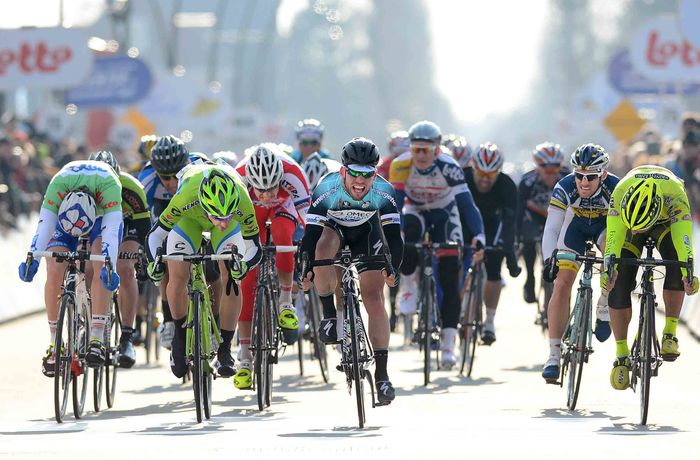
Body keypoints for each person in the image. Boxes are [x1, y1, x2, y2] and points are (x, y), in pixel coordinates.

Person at [299, 137, 403, 405]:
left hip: (368, 234)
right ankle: (330, 315)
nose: (360, 181)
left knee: (373, 298)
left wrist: (394, 268)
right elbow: (309, 238)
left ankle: (382, 375)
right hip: (335, 232)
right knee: (322, 251)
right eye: (354, 173)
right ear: (343, 171)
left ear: (375, 174)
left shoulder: (384, 192)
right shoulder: (326, 189)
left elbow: (395, 238)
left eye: (367, 175)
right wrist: (306, 268)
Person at [145, 163, 261, 379]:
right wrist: (154, 262)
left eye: (227, 216)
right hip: (189, 220)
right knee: (178, 274)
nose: (223, 223)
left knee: (231, 275)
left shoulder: (242, 201)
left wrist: (243, 264)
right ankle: (179, 337)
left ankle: (225, 348)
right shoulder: (185, 198)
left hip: (221, 212)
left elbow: (255, 246)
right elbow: (155, 236)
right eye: (218, 217)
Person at [390, 121, 485, 369]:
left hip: (444, 212)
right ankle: (409, 285)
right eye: (416, 149)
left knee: (450, 276)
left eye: (426, 150)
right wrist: (394, 234)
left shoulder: (450, 167)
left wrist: (478, 234)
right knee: (405, 232)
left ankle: (448, 344)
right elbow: (396, 205)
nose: (420, 155)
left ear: (437, 150)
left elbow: (467, 206)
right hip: (415, 210)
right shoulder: (401, 165)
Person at [19, 160, 123, 376]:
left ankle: (96, 336)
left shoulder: (109, 185)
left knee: (99, 261)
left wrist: (108, 265)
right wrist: (33, 258)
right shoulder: (58, 183)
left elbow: (112, 231)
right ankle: (54, 342)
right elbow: (45, 225)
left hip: (101, 214)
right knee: (54, 267)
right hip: (65, 215)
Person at [603, 164, 698, 390]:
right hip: (628, 216)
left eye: (640, 228)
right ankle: (621, 354)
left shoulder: (676, 197)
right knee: (619, 280)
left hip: (666, 223)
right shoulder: (620, 193)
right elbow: (613, 243)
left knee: (676, 262)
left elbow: (685, 247)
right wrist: (608, 273)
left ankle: (670, 333)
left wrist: (689, 276)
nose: (637, 232)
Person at [232, 143, 311, 389]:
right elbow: (230, 222)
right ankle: (244, 356)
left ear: (280, 177)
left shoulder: (293, 173)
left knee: (282, 234)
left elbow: (309, 220)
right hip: (251, 211)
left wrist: (311, 249)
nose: (266, 195)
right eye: (261, 189)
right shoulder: (239, 177)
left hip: (284, 208)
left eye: (271, 187)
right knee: (247, 278)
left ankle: (286, 302)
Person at [539, 144, 618, 382]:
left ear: (603, 174)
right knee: (561, 284)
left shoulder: (616, 188)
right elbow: (552, 227)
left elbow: (621, 233)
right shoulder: (564, 187)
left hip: (605, 229)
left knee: (613, 259)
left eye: (591, 177)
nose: (584, 182)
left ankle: (603, 304)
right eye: (579, 175)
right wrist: (548, 259)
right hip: (573, 229)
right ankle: (553, 354)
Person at [138, 135, 210, 351]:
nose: (170, 183)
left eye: (175, 176)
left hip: (196, 211)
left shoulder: (201, 168)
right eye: (165, 177)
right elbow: (141, 219)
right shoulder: (148, 178)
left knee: (213, 265)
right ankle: (169, 319)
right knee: (165, 257)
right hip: (164, 210)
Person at [89, 150, 151, 368]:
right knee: (89, 267)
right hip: (98, 227)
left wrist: (141, 254)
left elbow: (144, 227)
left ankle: (126, 335)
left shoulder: (132, 188)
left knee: (125, 270)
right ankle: (86, 320)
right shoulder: (84, 187)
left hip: (129, 228)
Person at [464, 142, 521, 346]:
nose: (485, 179)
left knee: (494, 267)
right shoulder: (463, 177)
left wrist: (510, 255)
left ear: (499, 171)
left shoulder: (506, 185)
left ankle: (489, 320)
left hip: (493, 224)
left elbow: (509, 222)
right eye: (481, 173)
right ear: (473, 167)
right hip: (467, 223)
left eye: (491, 174)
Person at [517, 142, 569, 304]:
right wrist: (517, 236)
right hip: (534, 217)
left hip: (559, 217)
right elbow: (518, 211)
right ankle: (530, 278)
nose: (551, 174)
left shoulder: (568, 178)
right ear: (537, 166)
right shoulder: (527, 181)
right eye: (546, 170)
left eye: (555, 169)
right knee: (529, 239)